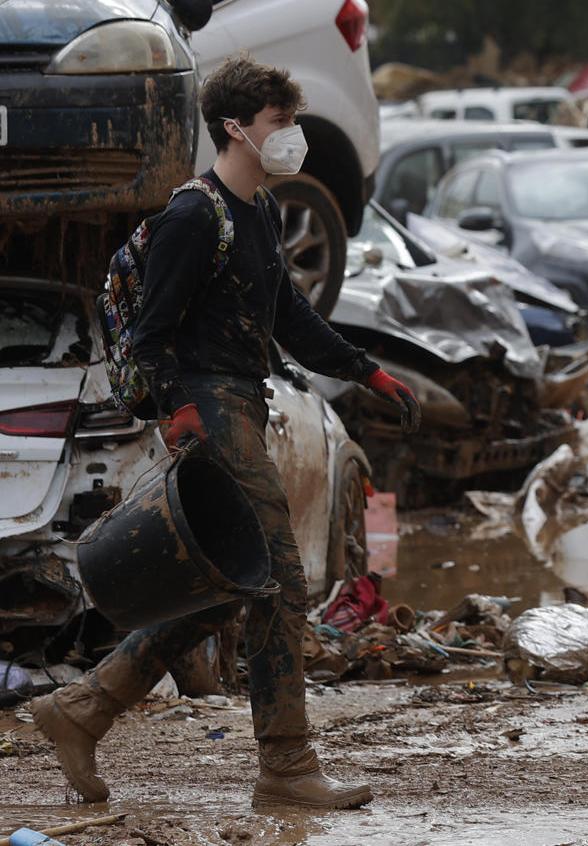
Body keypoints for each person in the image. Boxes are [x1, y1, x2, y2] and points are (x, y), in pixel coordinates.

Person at [32, 54, 419, 809]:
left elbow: (288, 317)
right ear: (236, 127)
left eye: (293, 122)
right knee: (278, 581)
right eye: (282, 123)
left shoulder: (262, 212)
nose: (293, 136)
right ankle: (286, 768)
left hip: (244, 400)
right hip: (208, 410)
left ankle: (80, 709)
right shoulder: (192, 214)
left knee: (223, 589)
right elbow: (150, 335)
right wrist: (180, 417)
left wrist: (365, 370)